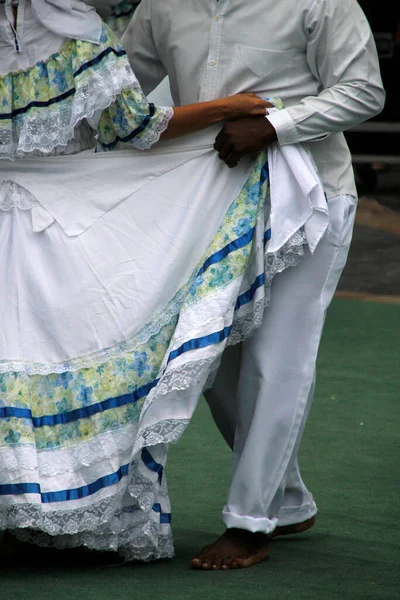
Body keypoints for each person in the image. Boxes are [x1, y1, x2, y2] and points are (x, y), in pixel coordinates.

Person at [0, 0, 322, 562]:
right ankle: (55, 512)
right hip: (55, 223)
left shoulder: (75, 28)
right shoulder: (76, 28)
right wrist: (230, 107)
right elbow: (134, 127)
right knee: (49, 361)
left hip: (43, 218)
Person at [123, 0, 386, 569]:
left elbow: (364, 91)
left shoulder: (322, 2)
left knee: (275, 358)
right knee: (207, 356)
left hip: (308, 199)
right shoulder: (160, 6)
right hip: (200, 201)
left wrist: (274, 124)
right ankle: (286, 500)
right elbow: (120, 92)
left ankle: (250, 521)